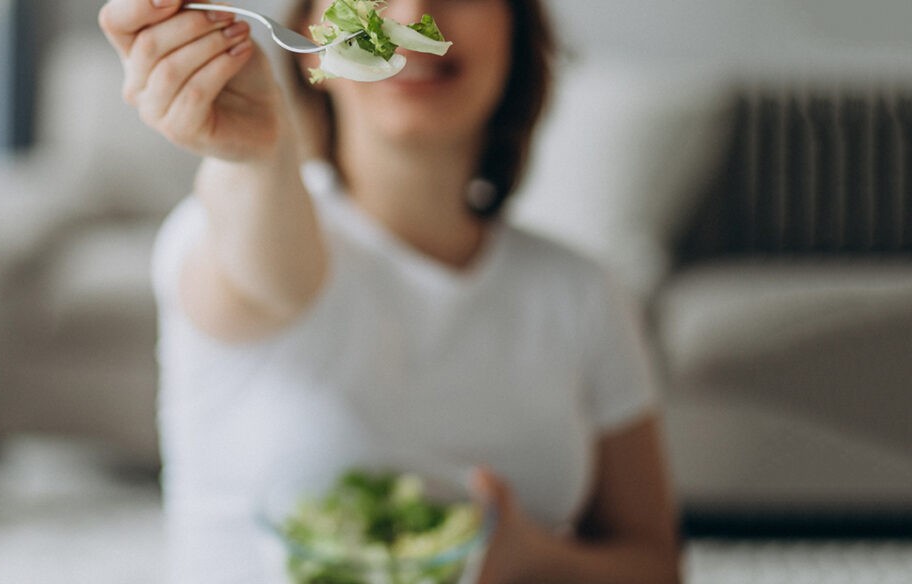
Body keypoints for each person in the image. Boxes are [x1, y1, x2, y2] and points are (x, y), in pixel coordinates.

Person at [99, 0, 683, 581]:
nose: (412, 12)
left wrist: (532, 561)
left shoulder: (584, 293)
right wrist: (257, 157)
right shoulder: (224, 228)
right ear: (310, 38)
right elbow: (273, 276)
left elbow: (653, 563)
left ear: (514, 30)